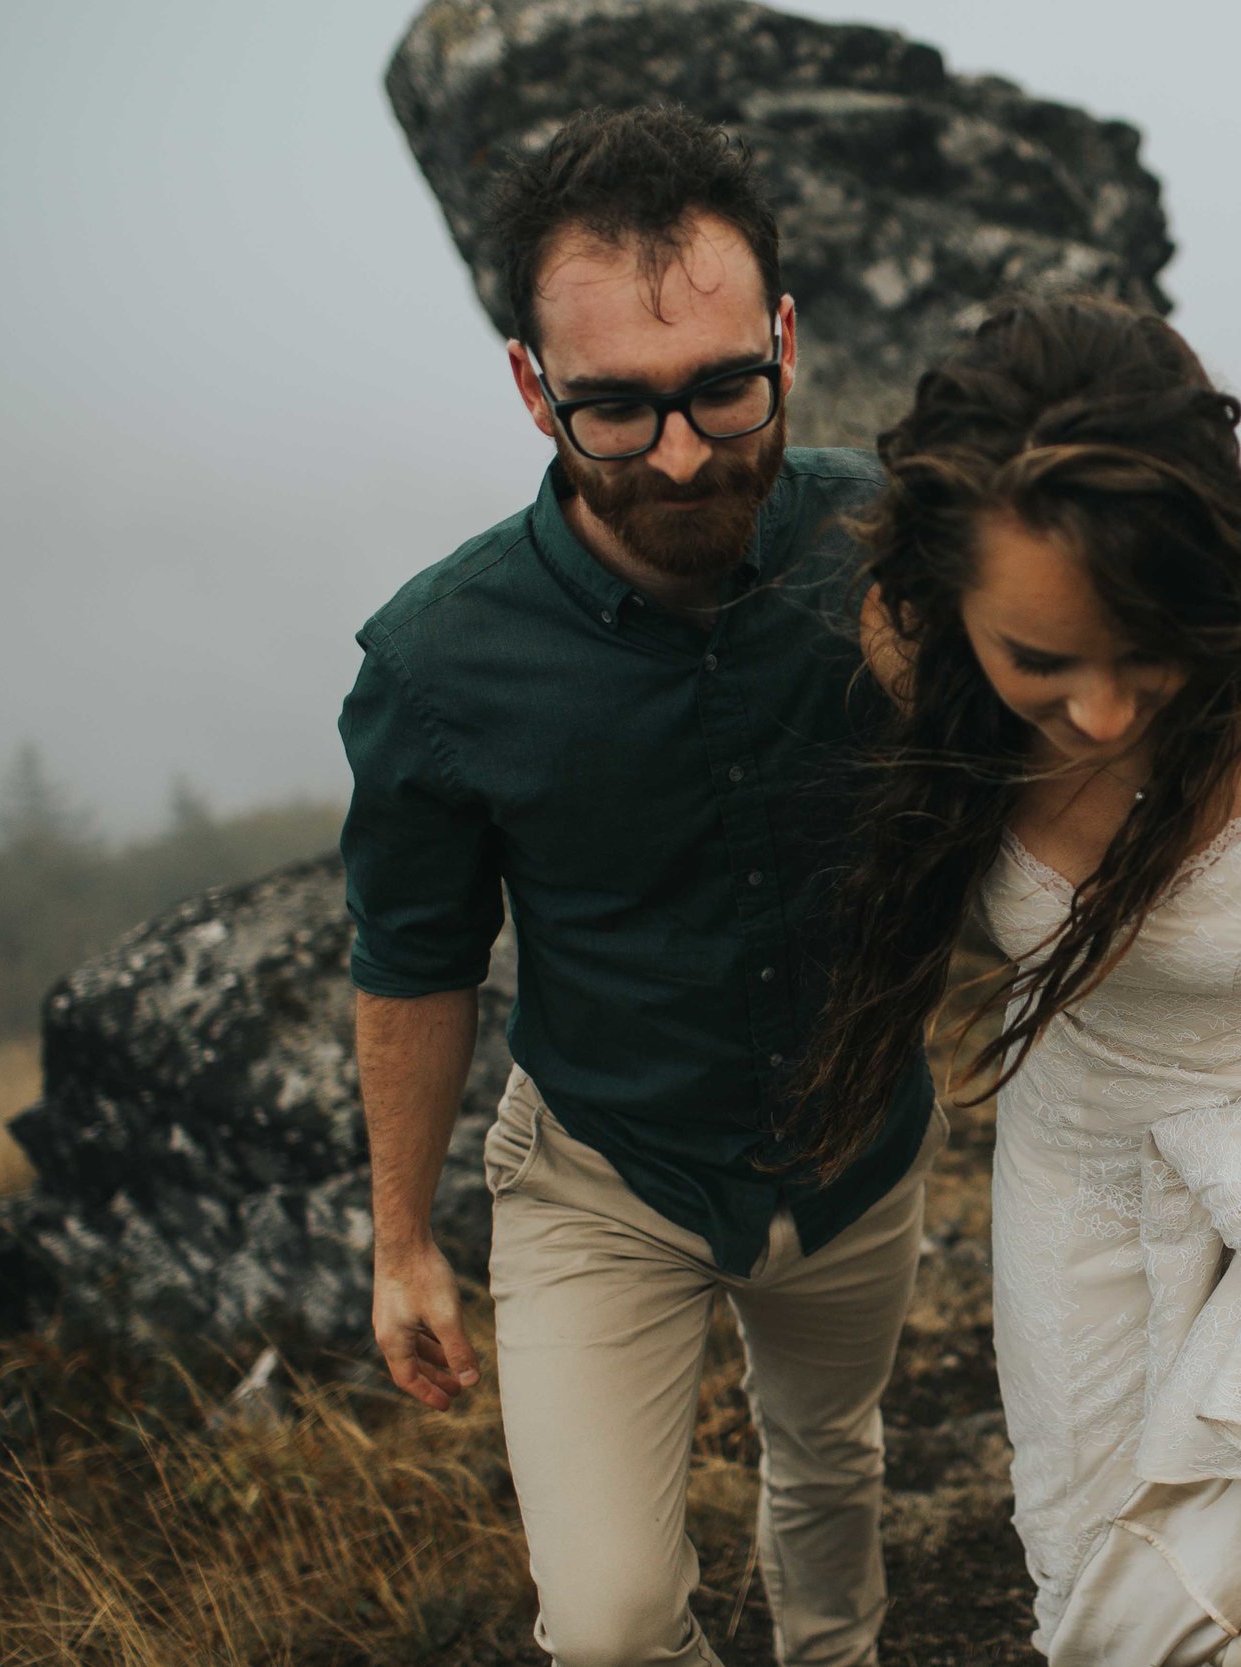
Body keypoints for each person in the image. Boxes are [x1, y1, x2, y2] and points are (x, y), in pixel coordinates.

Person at [794, 295, 1241, 1666]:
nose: (1104, 714)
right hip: (1079, 1189)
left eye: (1150, 653)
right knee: (1096, 1611)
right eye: (1041, 662)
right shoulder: (915, 651)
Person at [338, 106, 945, 1667]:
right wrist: (406, 1239)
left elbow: (1092, 692)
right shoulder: (438, 661)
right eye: (613, 408)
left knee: (832, 1459)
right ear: (534, 388)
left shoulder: (899, 545)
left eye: (720, 392)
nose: (678, 453)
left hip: (858, 1146)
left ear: (785, 342)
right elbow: (413, 958)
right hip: (605, 1174)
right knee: (608, 1627)